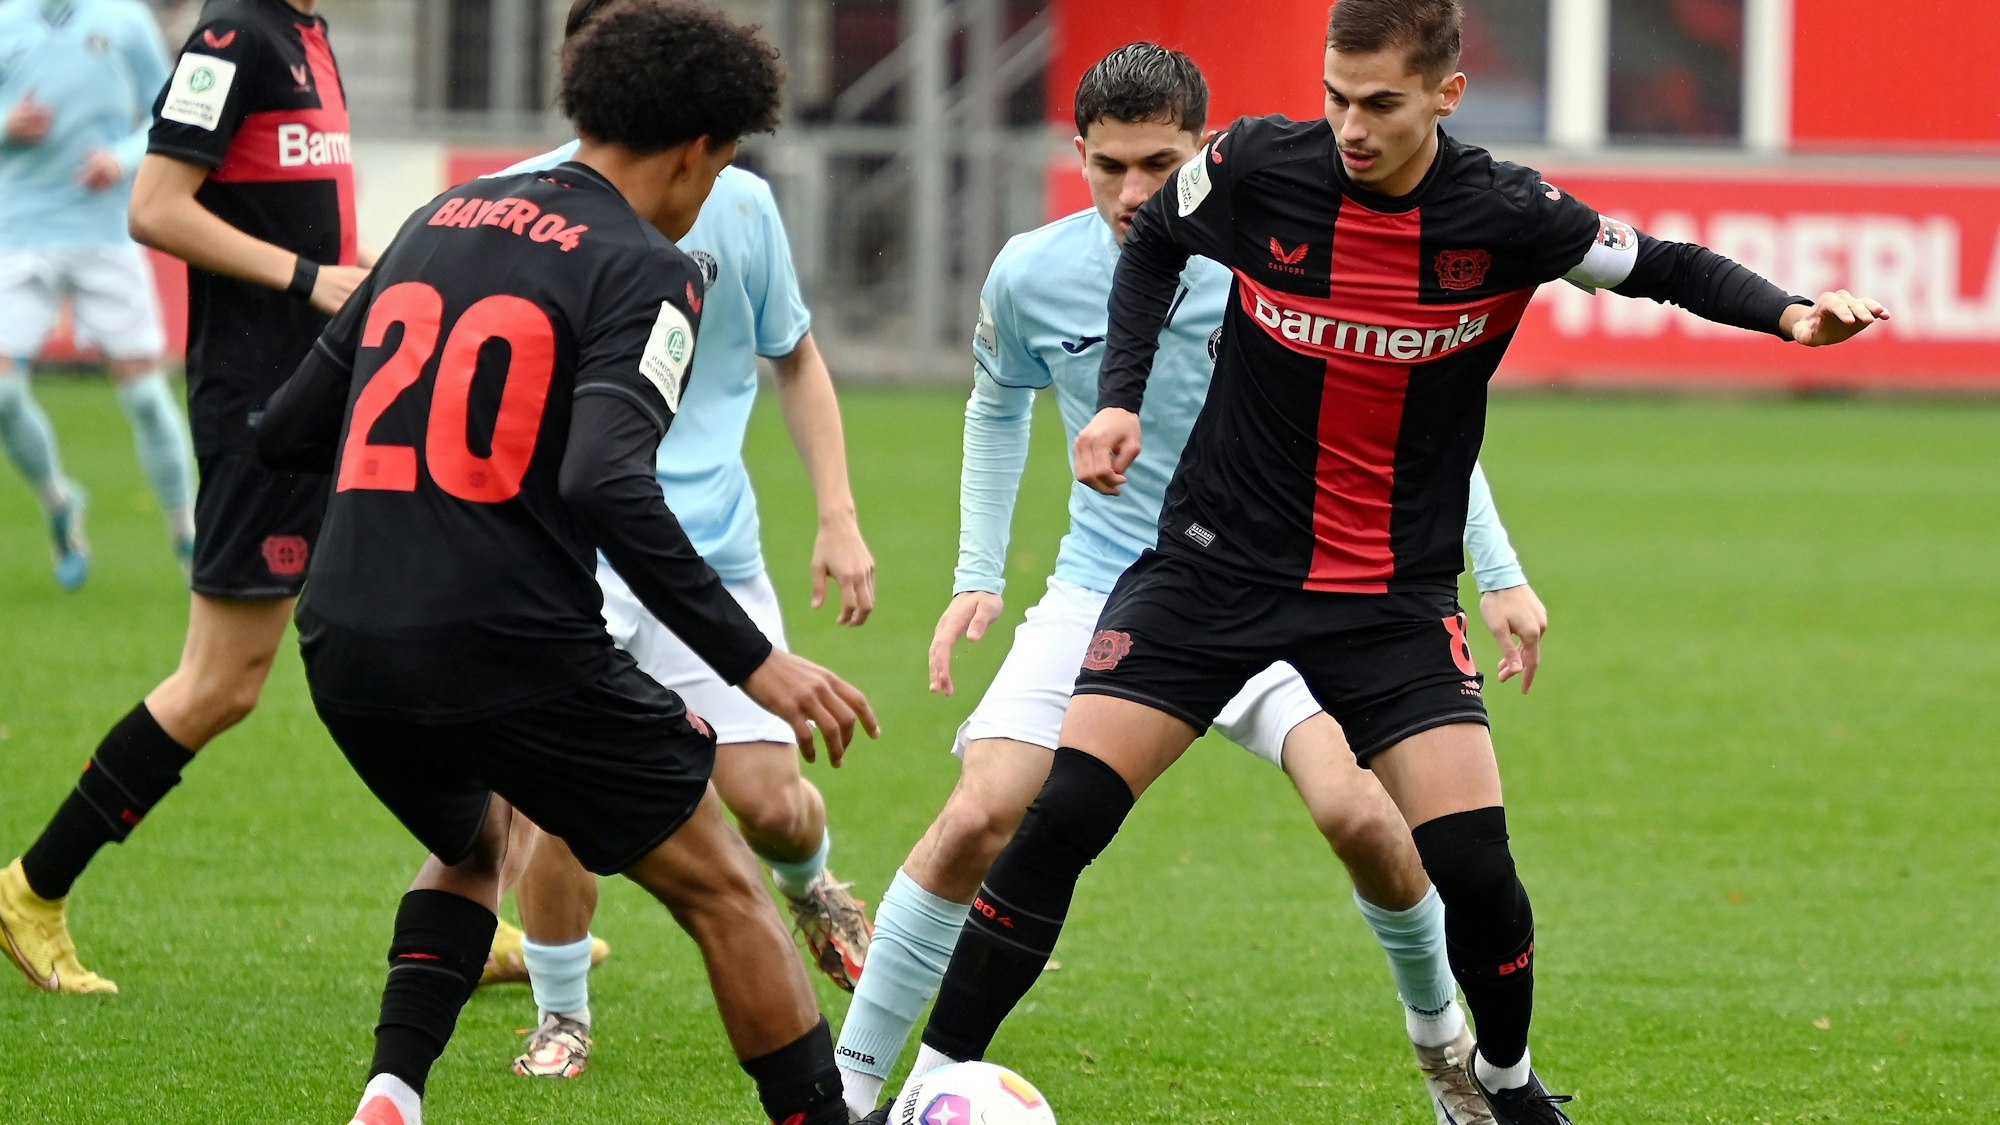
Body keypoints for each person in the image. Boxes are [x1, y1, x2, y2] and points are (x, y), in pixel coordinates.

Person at [895, 3, 1890, 1123]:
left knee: (1469, 868)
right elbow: (1155, 245)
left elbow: (1656, 262)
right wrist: (1117, 399)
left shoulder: (1505, 212)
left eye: (1378, 103)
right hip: (1211, 567)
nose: (1349, 127)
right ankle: (930, 1087)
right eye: (1334, 96)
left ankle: (1500, 1083)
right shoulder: (1254, 166)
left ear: (1443, 97)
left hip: (1386, 595)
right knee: (1062, 811)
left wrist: (1790, 315)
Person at [839, 44, 1543, 1125]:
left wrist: (1493, 571)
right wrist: (977, 572)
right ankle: (851, 1087)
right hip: (1106, 588)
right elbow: (994, 407)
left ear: (1204, 152)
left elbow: (1409, 423)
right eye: (1108, 166)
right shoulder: (1029, 274)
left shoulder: (1277, 240)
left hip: (1301, 584)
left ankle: (1447, 1056)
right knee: (982, 812)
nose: (1132, 194)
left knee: (1361, 817)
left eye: (1157, 166)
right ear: (1074, 154)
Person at [254, 5, 873, 1124]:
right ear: (696, 152)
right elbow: (606, 481)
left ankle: (392, 1092)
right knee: (725, 889)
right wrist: (756, 665)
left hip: (346, 640)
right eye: (721, 161)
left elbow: (289, 428)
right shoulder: (651, 266)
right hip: (508, 641)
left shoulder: (440, 217)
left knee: (471, 835)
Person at [478, 0, 879, 1081]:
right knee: (567, 804)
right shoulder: (524, 206)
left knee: (771, 805)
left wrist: (837, 515)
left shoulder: (736, 204)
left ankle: (812, 888)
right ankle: (562, 1016)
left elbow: (793, 354)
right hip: (571, 562)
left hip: (711, 554)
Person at [0, 0, 368, 994]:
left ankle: (469, 901)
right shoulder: (234, 35)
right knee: (221, 682)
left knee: (418, 624)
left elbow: (301, 210)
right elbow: (154, 207)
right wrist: (311, 279)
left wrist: (354, 277)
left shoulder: (308, 33)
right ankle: (31, 889)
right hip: (261, 406)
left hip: (322, 389)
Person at [0, 0, 195, 587]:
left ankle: (188, 535)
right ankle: (61, 502)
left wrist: (121, 157)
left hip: (105, 235)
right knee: (3, 395)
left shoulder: (126, 21)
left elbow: (170, 115)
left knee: (143, 394)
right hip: (19, 233)